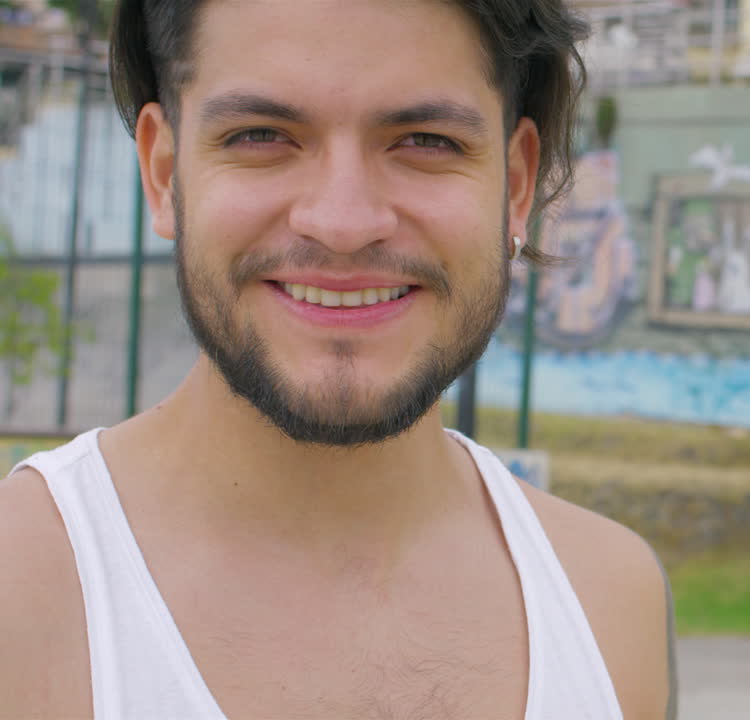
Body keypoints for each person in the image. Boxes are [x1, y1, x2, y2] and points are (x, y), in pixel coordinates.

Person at [0, 1, 675, 717]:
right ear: (164, 171)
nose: (344, 223)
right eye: (261, 135)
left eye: (425, 140)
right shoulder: (20, 593)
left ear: (515, 185)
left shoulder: (610, 601)